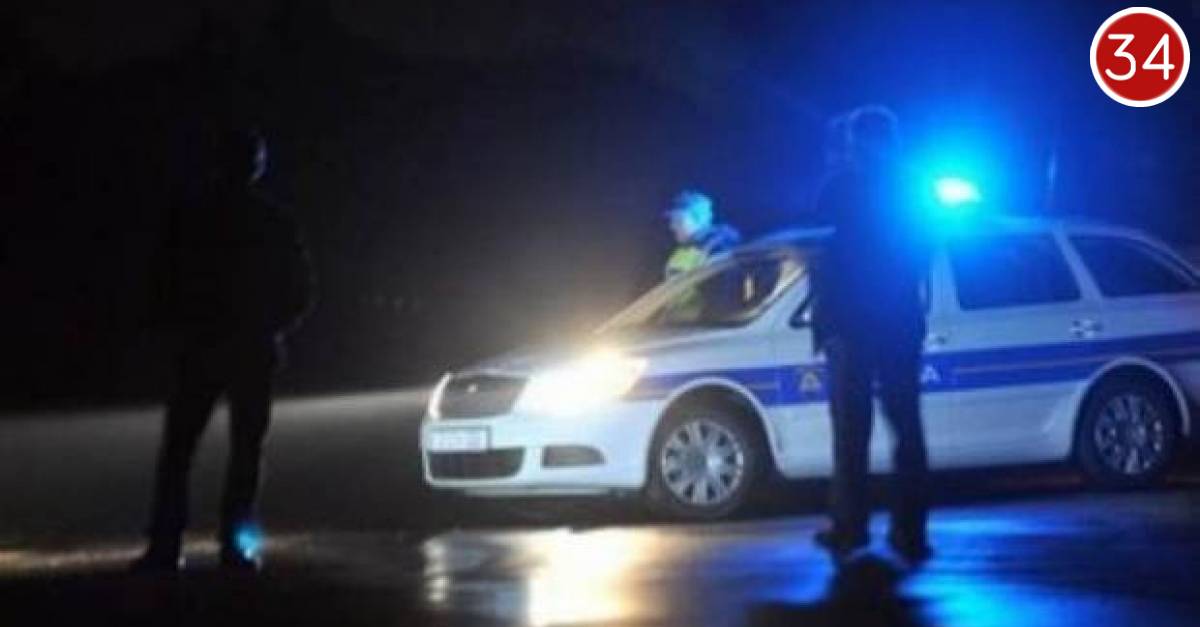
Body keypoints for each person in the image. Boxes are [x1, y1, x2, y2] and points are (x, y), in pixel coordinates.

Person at [132, 128, 314, 572]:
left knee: (180, 450)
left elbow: (163, 281)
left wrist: (173, 329)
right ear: (257, 167)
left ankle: (165, 545)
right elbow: (299, 289)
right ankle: (233, 545)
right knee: (245, 450)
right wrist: (269, 325)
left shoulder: (192, 218)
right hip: (250, 349)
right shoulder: (273, 222)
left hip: (200, 346)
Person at [808, 106, 932, 563]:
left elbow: (820, 240)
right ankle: (910, 530)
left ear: (856, 143)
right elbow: (925, 250)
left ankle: (850, 526)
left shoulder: (843, 185)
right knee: (906, 424)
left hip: (851, 323)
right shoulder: (913, 186)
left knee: (850, 428)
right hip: (898, 319)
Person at [663, 189, 740, 280]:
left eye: (678, 221)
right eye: (672, 221)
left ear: (699, 219)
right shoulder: (681, 252)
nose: (672, 226)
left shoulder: (721, 247)